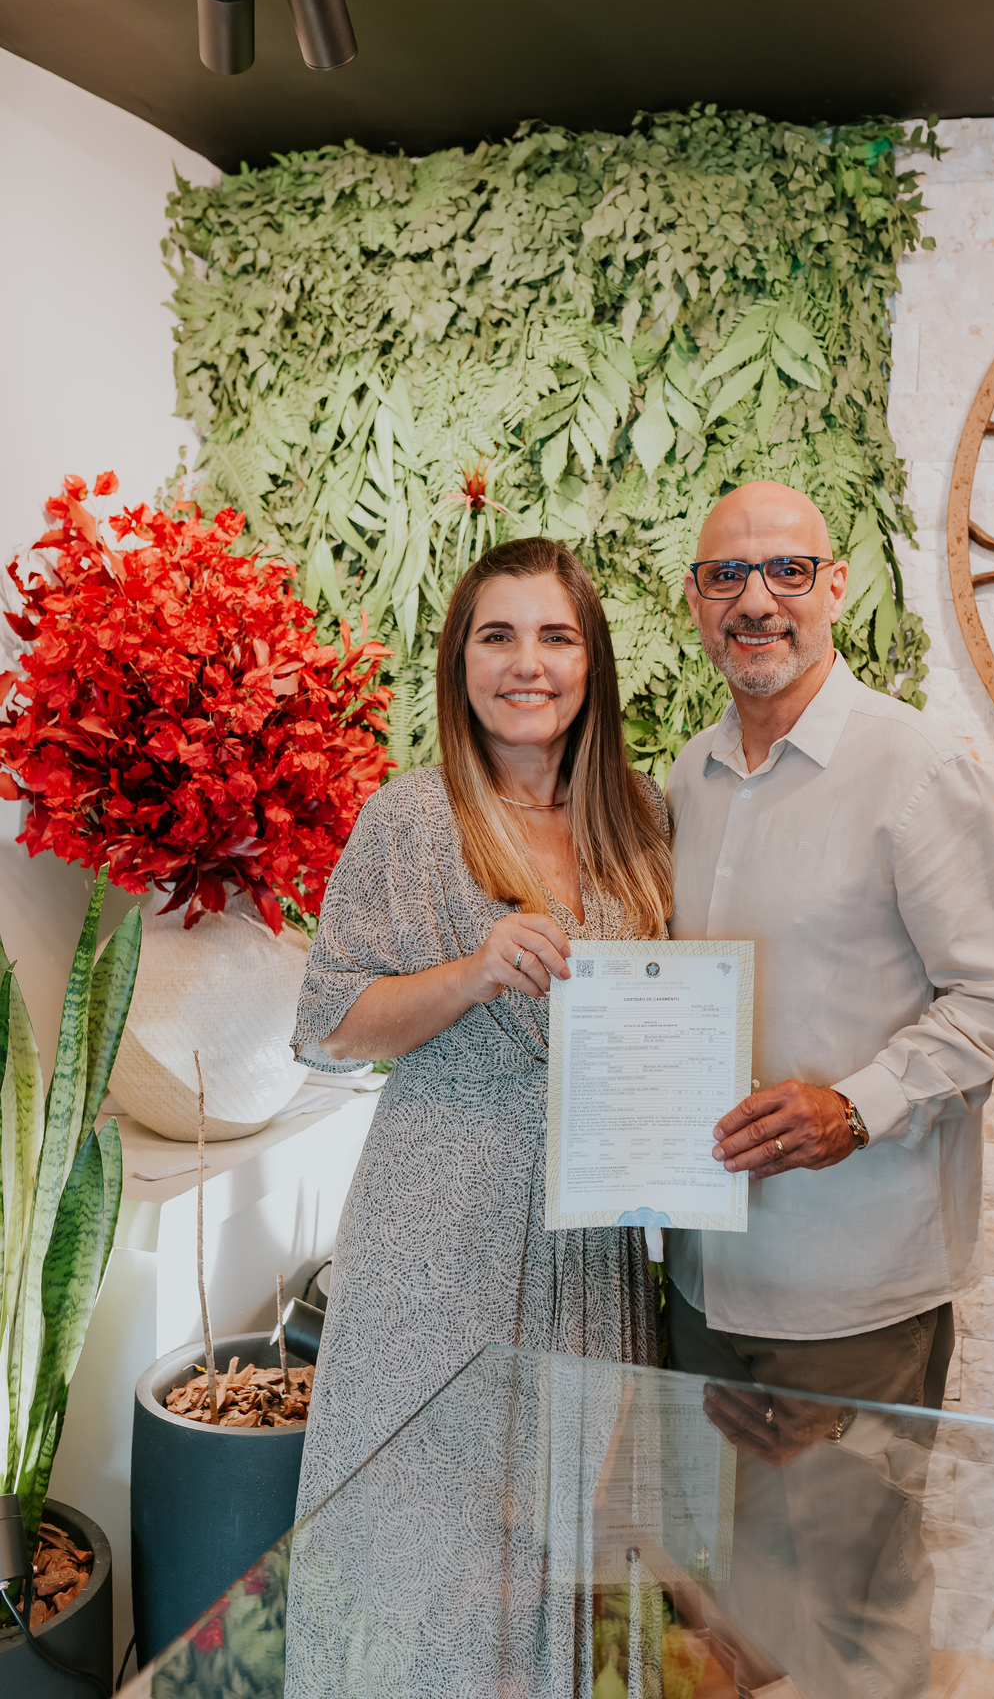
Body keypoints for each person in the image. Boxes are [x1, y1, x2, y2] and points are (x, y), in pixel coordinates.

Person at [290, 536, 673, 1514]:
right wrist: (471, 972)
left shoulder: (642, 819)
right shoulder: (409, 819)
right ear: (461, 662)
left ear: (593, 661)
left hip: (590, 1245)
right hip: (437, 1236)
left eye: (556, 636)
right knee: (431, 1530)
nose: (528, 663)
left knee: (573, 1538)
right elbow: (327, 1026)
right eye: (497, 636)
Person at [664, 479, 994, 1406]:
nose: (755, 600)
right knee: (708, 1558)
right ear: (694, 600)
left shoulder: (916, 771)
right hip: (701, 1289)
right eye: (726, 575)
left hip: (851, 1303)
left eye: (786, 571)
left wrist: (853, 1107)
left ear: (836, 587)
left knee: (842, 1558)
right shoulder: (692, 774)